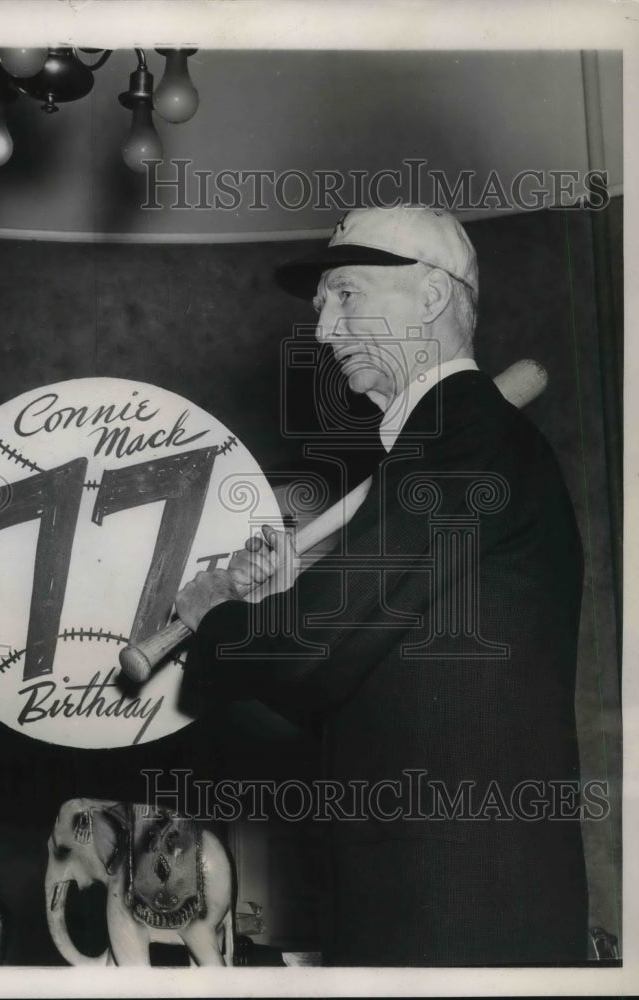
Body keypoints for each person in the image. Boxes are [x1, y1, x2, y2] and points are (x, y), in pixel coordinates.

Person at [175, 205, 589, 966]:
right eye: (322, 306)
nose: (325, 332)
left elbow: (311, 654)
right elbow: (349, 684)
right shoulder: (449, 445)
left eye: (347, 296)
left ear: (432, 297)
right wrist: (281, 603)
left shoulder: (462, 432)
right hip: (429, 906)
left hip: (463, 917)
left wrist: (216, 616)